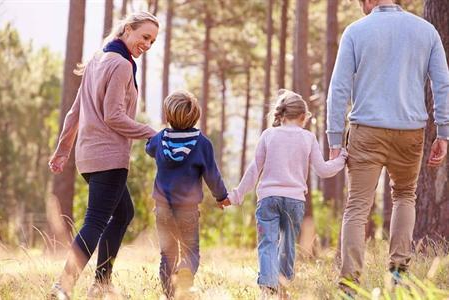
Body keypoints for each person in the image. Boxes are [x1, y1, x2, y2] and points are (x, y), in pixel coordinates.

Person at [326, 0, 449, 294]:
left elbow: (339, 87)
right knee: (405, 196)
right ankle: (398, 276)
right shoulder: (426, 30)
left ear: (369, 0)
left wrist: (334, 139)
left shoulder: (356, 31)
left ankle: (349, 284)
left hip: (366, 131)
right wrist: (443, 132)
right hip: (411, 131)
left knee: (357, 207)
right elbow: (442, 84)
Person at [48, 11, 160, 300]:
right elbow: (114, 116)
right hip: (109, 156)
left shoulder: (98, 59)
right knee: (96, 221)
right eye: (145, 36)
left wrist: (63, 151)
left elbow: (75, 111)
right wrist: (152, 132)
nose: (147, 44)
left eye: (153, 41)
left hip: (88, 157)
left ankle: (101, 283)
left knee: (123, 212)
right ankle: (63, 286)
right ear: (127, 29)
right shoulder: (121, 64)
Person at [227, 89, 347, 299]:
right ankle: (284, 288)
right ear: (303, 116)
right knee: (288, 246)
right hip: (294, 201)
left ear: (280, 115)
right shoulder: (308, 138)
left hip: (268, 199)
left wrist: (237, 195)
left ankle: (268, 289)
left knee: (267, 243)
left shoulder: (268, 135)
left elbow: (255, 169)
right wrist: (342, 158)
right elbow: (324, 170)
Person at [145, 90, 228, 299]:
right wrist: (221, 196)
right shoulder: (202, 144)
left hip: (162, 208)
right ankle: (185, 276)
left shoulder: (160, 140)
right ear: (195, 115)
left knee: (167, 255)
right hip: (188, 210)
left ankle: (169, 295)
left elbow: (149, 148)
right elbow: (212, 175)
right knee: (190, 252)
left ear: (168, 115)